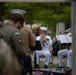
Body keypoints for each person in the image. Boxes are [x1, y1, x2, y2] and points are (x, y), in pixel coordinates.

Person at [0, 9, 26, 75]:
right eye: (21, 25)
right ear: (19, 22)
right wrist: (24, 53)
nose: (21, 27)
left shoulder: (3, 28)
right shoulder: (15, 31)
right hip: (12, 61)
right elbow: (19, 50)